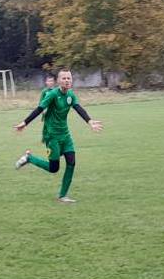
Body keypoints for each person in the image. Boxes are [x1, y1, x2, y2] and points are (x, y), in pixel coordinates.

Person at [13, 69, 103, 204]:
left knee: (71, 162)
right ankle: (29, 158)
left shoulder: (70, 95)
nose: (67, 80)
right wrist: (25, 123)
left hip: (65, 135)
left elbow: (78, 108)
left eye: (69, 78)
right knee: (54, 168)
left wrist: (89, 121)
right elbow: (39, 109)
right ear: (59, 81)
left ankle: (63, 196)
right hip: (52, 135)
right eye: (64, 78)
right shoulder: (53, 94)